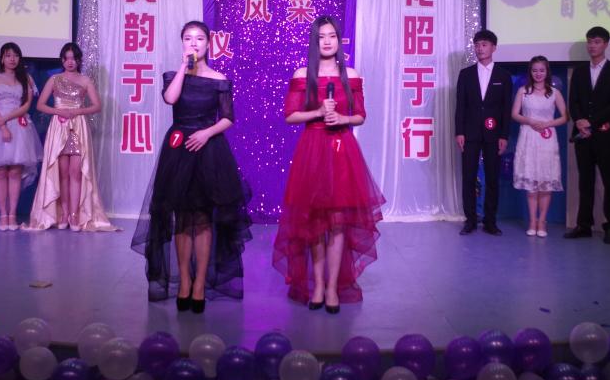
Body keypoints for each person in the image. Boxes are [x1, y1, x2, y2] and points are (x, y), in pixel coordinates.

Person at [131, 21, 252, 313]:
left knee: (203, 218)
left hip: (208, 150)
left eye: (199, 39)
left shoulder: (219, 79)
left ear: (208, 44)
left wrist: (206, 133)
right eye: (188, 38)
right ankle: (184, 280)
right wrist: (184, 68)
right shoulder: (174, 76)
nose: (194, 43)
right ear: (182, 43)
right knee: (181, 218)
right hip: (179, 151)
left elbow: (228, 118)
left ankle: (199, 285)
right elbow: (170, 99)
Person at [272, 16, 385, 314]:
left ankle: (333, 286)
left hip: (342, 150)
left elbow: (360, 116)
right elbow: (290, 116)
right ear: (314, 41)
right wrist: (319, 112)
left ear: (339, 40)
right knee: (314, 222)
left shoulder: (351, 75)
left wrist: (343, 118)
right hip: (312, 150)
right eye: (321, 36)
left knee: (337, 222)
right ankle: (318, 285)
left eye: (332, 36)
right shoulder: (302, 74)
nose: (326, 41)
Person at [26, 42, 114, 232]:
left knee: (76, 172)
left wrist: (77, 111)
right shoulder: (54, 79)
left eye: (73, 58)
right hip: (59, 127)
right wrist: (59, 111)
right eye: (66, 58)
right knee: (62, 173)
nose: (70, 62)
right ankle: (64, 213)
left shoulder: (85, 80)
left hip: (78, 127)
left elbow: (97, 106)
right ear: (62, 60)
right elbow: (40, 105)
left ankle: (75, 214)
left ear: (79, 60)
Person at [565, 26, 610, 244]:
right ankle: (584, 225)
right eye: (590, 42)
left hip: (605, 135)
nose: (592, 46)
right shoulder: (579, 71)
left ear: (606, 44)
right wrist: (579, 121)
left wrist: (591, 121)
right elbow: (573, 101)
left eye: (597, 42)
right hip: (582, 135)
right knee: (585, 180)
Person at [454, 29, 513, 235]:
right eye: (477, 45)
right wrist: (459, 132)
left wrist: (504, 135)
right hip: (469, 134)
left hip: (494, 135)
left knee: (492, 178)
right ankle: (470, 220)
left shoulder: (504, 76)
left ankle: (490, 221)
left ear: (494, 48)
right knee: (468, 177)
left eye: (484, 44)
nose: (480, 48)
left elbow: (506, 108)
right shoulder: (466, 74)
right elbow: (460, 106)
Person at [0, 42, 42, 231]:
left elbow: (26, 106)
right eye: (8, 55)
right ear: (2, 58)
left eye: (15, 55)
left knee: (15, 171)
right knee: (0, 171)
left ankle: (13, 215)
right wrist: (1, 125)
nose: (12, 59)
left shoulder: (26, 78)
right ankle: (3, 215)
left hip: (19, 125)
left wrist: (7, 119)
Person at [511, 56, 568, 237]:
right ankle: (532, 221)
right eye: (535, 70)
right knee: (531, 184)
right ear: (530, 72)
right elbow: (514, 114)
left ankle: (542, 221)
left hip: (547, 139)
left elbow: (565, 117)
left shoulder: (554, 93)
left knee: (545, 182)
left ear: (547, 71)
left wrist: (548, 123)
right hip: (528, 137)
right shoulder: (523, 91)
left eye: (541, 70)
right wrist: (530, 121)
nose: (538, 74)